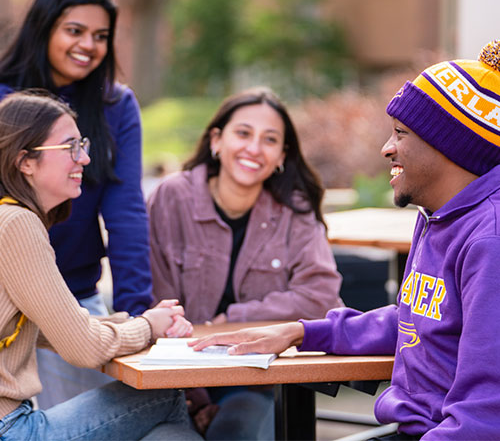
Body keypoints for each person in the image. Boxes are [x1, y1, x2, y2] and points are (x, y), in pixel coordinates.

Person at [190, 40, 500, 440]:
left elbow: (485, 417)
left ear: (449, 147)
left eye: (400, 133)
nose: (387, 148)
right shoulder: (440, 214)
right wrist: (303, 332)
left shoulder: (488, 240)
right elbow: (421, 322)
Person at [0, 91, 201, 440]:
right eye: (70, 148)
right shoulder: (16, 224)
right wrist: (148, 328)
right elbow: (83, 348)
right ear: (25, 161)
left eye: (84, 145)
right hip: (11, 430)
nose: (85, 159)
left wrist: (140, 322)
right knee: (164, 392)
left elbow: (56, 329)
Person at [148, 86, 344, 439]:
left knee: (241, 427)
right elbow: (152, 299)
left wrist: (232, 321)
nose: (254, 148)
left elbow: (322, 299)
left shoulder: (293, 211)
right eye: (243, 133)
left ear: (281, 155)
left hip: (258, 382)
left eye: (269, 140)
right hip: (175, 382)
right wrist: (194, 398)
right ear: (216, 140)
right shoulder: (171, 197)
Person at [0, 0, 152, 408]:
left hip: (76, 303)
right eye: (74, 30)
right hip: (8, 311)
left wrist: (139, 315)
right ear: (43, 28)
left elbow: (126, 215)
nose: (88, 44)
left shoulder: (115, 105)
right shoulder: (4, 102)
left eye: (101, 35)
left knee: (122, 413)